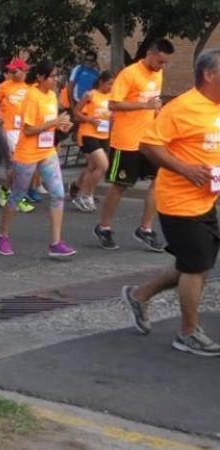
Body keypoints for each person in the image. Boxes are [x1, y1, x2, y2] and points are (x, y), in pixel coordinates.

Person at [124, 49, 220, 356]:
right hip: (178, 201)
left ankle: (140, 296)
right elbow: (149, 145)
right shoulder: (182, 107)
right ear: (209, 74)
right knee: (197, 266)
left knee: (194, 263)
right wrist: (186, 168)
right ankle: (188, 333)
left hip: (206, 200)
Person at [94, 38, 174, 251]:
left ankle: (145, 229)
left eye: (165, 63)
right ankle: (104, 226)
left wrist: (157, 112)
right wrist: (143, 105)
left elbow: (153, 102)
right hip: (126, 141)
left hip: (148, 140)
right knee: (121, 186)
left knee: (158, 181)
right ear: (150, 53)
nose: (161, 67)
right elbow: (113, 104)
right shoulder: (129, 74)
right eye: (159, 62)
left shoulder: (158, 74)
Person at [0, 61, 75, 258]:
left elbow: (48, 124)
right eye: (53, 76)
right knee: (18, 195)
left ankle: (55, 243)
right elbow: (28, 129)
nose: (56, 79)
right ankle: (2, 235)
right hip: (27, 153)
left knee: (58, 194)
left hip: (47, 151)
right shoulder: (31, 96)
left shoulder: (52, 96)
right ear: (40, 77)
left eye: (57, 76)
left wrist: (60, 126)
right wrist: (54, 122)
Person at [0, 58, 35, 214]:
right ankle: (17, 195)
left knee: (24, 164)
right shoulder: (4, 86)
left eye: (14, 71)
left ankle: (6, 189)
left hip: (26, 129)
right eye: (9, 71)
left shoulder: (31, 87)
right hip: (10, 129)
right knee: (16, 163)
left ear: (24, 71)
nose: (10, 73)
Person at [71, 71, 114, 212]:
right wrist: (89, 119)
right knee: (103, 165)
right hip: (88, 133)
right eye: (109, 84)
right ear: (101, 81)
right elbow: (76, 113)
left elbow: (110, 114)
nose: (111, 87)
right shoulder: (90, 95)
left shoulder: (111, 97)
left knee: (92, 167)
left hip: (104, 134)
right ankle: (86, 195)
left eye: (113, 84)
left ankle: (81, 194)